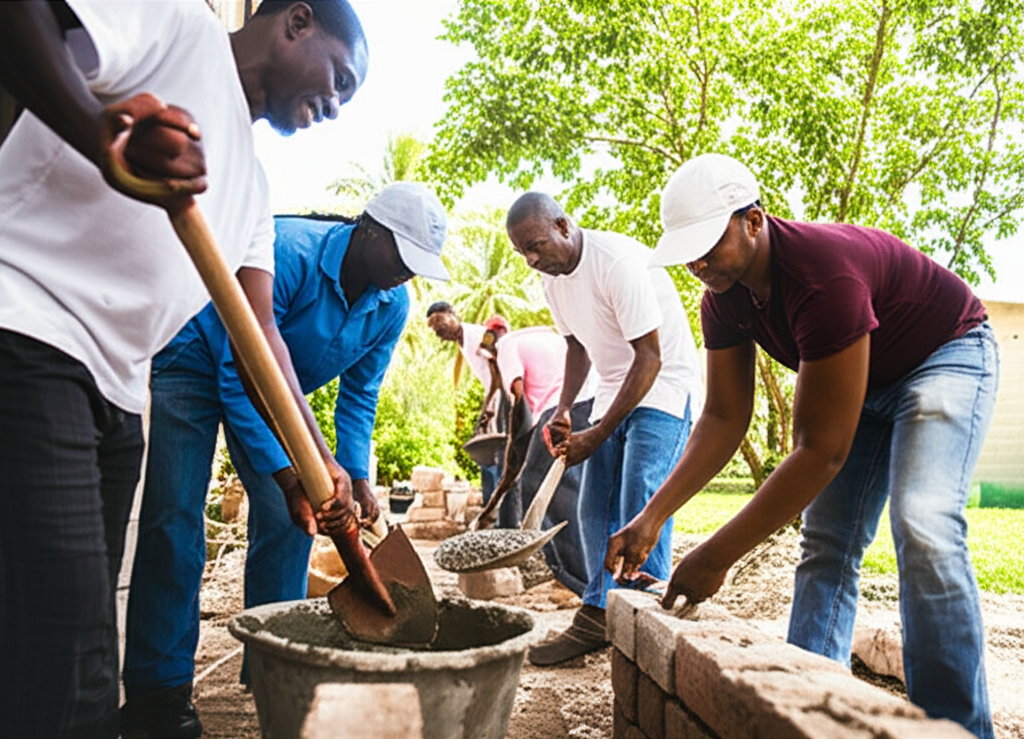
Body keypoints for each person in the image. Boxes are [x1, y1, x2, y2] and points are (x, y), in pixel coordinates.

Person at [0, 1, 368, 736]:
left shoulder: (253, 192)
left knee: (66, 639)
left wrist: (319, 464)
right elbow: (22, 18)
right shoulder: (182, 26)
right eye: (340, 78)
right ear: (297, 21)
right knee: (73, 653)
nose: (335, 104)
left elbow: (259, 336)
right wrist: (105, 138)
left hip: (113, 388)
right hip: (28, 330)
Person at [606, 153, 998, 738]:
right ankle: (804, 707)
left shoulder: (823, 275)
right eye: (687, 249)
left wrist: (715, 556)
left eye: (709, 243)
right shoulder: (724, 299)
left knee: (924, 521)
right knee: (826, 542)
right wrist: (652, 517)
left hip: (945, 357)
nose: (697, 261)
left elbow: (820, 450)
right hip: (867, 383)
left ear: (754, 221)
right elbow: (722, 417)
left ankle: (957, 728)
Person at [122, 183, 447, 738]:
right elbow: (236, 369)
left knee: (291, 521)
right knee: (173, 523)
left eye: (417, 266)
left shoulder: (391, 305)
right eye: (400, 256)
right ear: (367, 229)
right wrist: (290, 471)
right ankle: (160, 691)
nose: (406, 274)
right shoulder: (290, 252)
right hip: (195, 360)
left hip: (273, 393)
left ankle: (276, 666)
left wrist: (357, 475)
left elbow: (359, 396)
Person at [505, 192, 703, 666]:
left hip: (664, 383)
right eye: (522, 253)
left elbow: (650, 359)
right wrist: (566, 409)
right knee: (593, 507)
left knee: (641, 500)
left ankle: (644, 622)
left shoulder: (617, 262)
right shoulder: (552, 282)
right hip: (616, 385)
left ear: (563, 225)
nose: (532, 260)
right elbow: (576, 348)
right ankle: (601, 611)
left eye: (536, 245)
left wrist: (598, 434)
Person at [472, 319, 594, 595]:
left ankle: (572, 576)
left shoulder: (506, 347)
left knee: (537, 487)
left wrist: (512, 456)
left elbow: (518, 402)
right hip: (587, 407)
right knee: (573, 492)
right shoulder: (545, 337)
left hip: (557, 412)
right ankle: (587, 575)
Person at [426, 304, 507, 502]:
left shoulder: (481, 335)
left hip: (505, 399)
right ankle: (491, 510)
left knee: (500, 458)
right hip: (495, 400)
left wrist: (489, 407)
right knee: (486, 458)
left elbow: (500, 370)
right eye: (434, 329)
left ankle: (500, 514)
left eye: (440, 322)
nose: (439, 331)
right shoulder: (464, 343)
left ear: (453, 314)